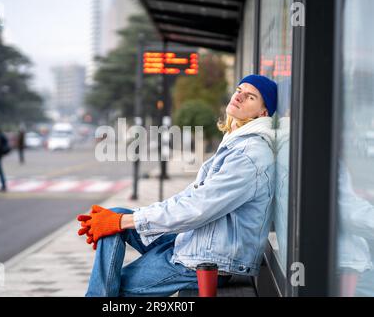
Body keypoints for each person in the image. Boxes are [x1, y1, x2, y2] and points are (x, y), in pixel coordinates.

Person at [77, 75, 278, 297]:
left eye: (250, 96)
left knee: (115, 285)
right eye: (239, 89)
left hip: (210, 260)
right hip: (196, 240)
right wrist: (121, 219)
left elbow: (197, 208)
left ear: (262, 113)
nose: (239, 96)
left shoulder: (248, 155)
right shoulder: (237, 140)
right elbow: (192, 197)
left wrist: (125, 222)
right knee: (113, 216)